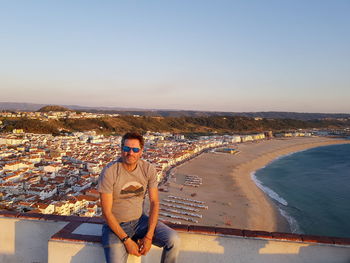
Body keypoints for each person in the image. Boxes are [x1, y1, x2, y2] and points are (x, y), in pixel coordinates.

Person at [98, 132, 180, 263]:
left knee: (173, 239)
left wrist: (148, 237)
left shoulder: (148, 169)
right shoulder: (110, 172)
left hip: (140, 222)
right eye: (126, 149)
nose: (130, 153)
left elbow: (154, 202)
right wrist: (126, 240)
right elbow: (106, 212)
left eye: (135, 149)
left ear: (141, 151)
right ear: (121, 150)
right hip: (115, 226)